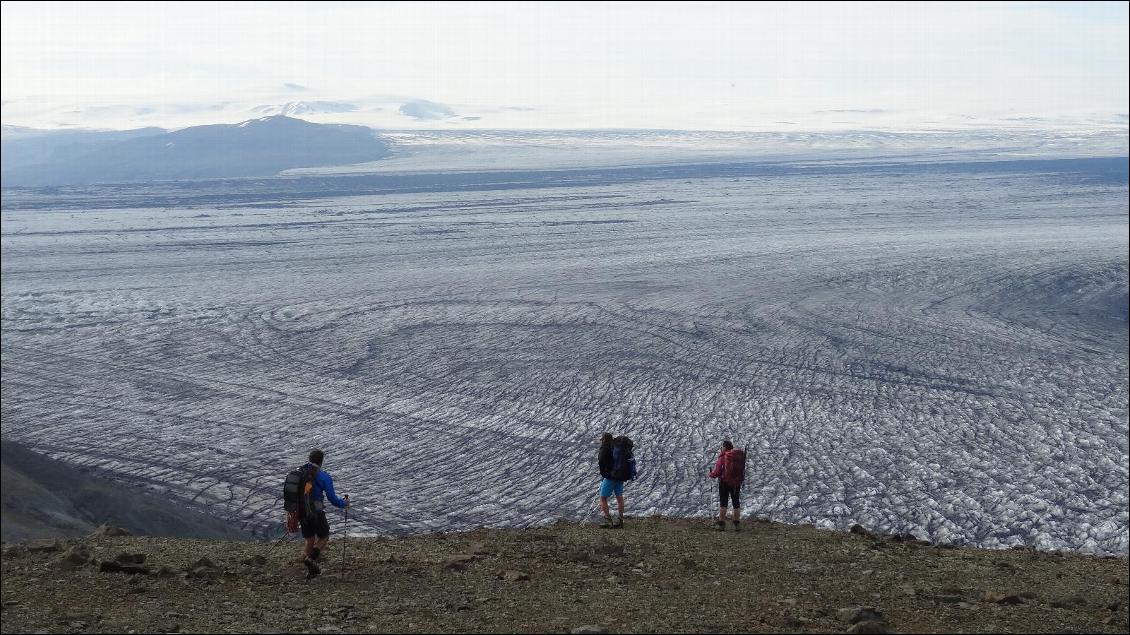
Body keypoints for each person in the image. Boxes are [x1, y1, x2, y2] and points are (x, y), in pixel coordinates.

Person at [299, 449, 349, 578]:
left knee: (310, 538)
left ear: (309, 459)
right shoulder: (323, 477)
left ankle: (305, 563)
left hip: (301, 511)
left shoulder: (300, 472)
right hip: (316, 512)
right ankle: (310, 560)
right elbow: (332, 499)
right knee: (324, 537)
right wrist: (344, 503)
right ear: (321, 461)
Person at [708, 440, 743, 531]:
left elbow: (717, 472)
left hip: (724, 483)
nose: (721, 448)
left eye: (722, 447)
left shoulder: (722, 457)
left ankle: (721, 525)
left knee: (723, 503)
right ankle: (737, 525)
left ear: (725, 447)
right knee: (736, 502)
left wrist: (711, 474)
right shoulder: (737, 457)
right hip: (736, 483)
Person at [597, 432, 625, 528]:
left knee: (603, 498)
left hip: (609, 477)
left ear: (604, 439)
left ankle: (608, 520)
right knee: (619, 497)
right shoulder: (616, 447)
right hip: (620, 476)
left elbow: (601, 461)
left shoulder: (605, 448)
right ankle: (620, 520)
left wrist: (604, 474)